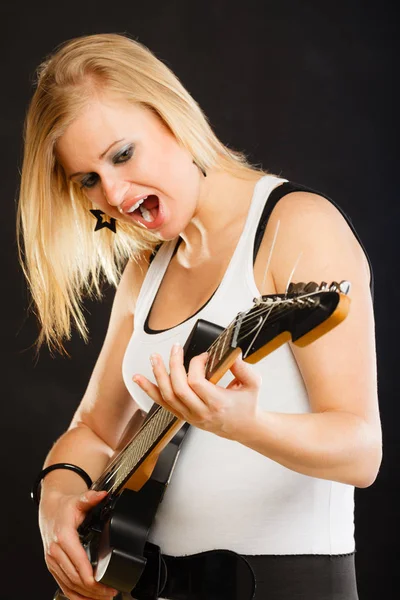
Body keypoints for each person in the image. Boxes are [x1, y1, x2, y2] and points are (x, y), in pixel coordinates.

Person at [18, 32, 381, 600]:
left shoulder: (295, 226)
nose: (111, 193)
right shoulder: (147, 267)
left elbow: (362, 452)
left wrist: (245, 424)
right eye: (87, 179)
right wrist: (58, 503)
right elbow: (91, 429)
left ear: (172, 114)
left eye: (122, 154)